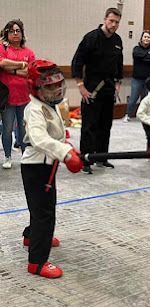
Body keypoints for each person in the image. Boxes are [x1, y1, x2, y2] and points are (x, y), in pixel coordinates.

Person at [21, 60, 83, 278]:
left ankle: (31, 237)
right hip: (36, 167)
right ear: (35, 87)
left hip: (47, 165)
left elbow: (54, 134)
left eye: (57, 85)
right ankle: (36, 262)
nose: (55, 90)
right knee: (44, 214)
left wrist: (66, 145)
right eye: (49, 86)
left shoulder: (49, 105)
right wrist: (65, 153)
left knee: (39, 208)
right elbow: (39, 139)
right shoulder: (34, 109)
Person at [71, 7, 123, 174]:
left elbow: (119, 65)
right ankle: (86, 159)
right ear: (105, 19)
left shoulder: (117, 41)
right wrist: (80, 86)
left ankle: (101, 157)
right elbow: (77, 62)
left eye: (117, 22)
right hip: (92, 88)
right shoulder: (91, 38)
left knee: (105, 125)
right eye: (111, 21)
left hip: (108, 89)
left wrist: (118, 83)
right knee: (89, 125)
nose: (114, 24)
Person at [0, 19, 35, 169]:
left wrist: (11, 69)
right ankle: (7, 156)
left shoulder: (29, 52)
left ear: (22, 34)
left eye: (18, 31)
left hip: (24, 98)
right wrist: (21, 65)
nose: (15, 34)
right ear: (6, 34)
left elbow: (31, 71)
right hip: (7, 98)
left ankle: (24, 156)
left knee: (23, 129)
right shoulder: (3, 48)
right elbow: (1, 63)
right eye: (12, 31)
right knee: (7, 129)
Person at [124, 30, 150, 122]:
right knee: (133, 98)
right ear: (141, 38)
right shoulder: (136, 49)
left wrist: (144, 56)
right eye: (145, 37)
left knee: (147, 99)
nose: (146, 39)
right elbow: (137, 55)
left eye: (148, 37)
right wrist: (147, 55)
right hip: (137, 79)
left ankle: (144, 116)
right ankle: (128, 115)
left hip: (149, 80)